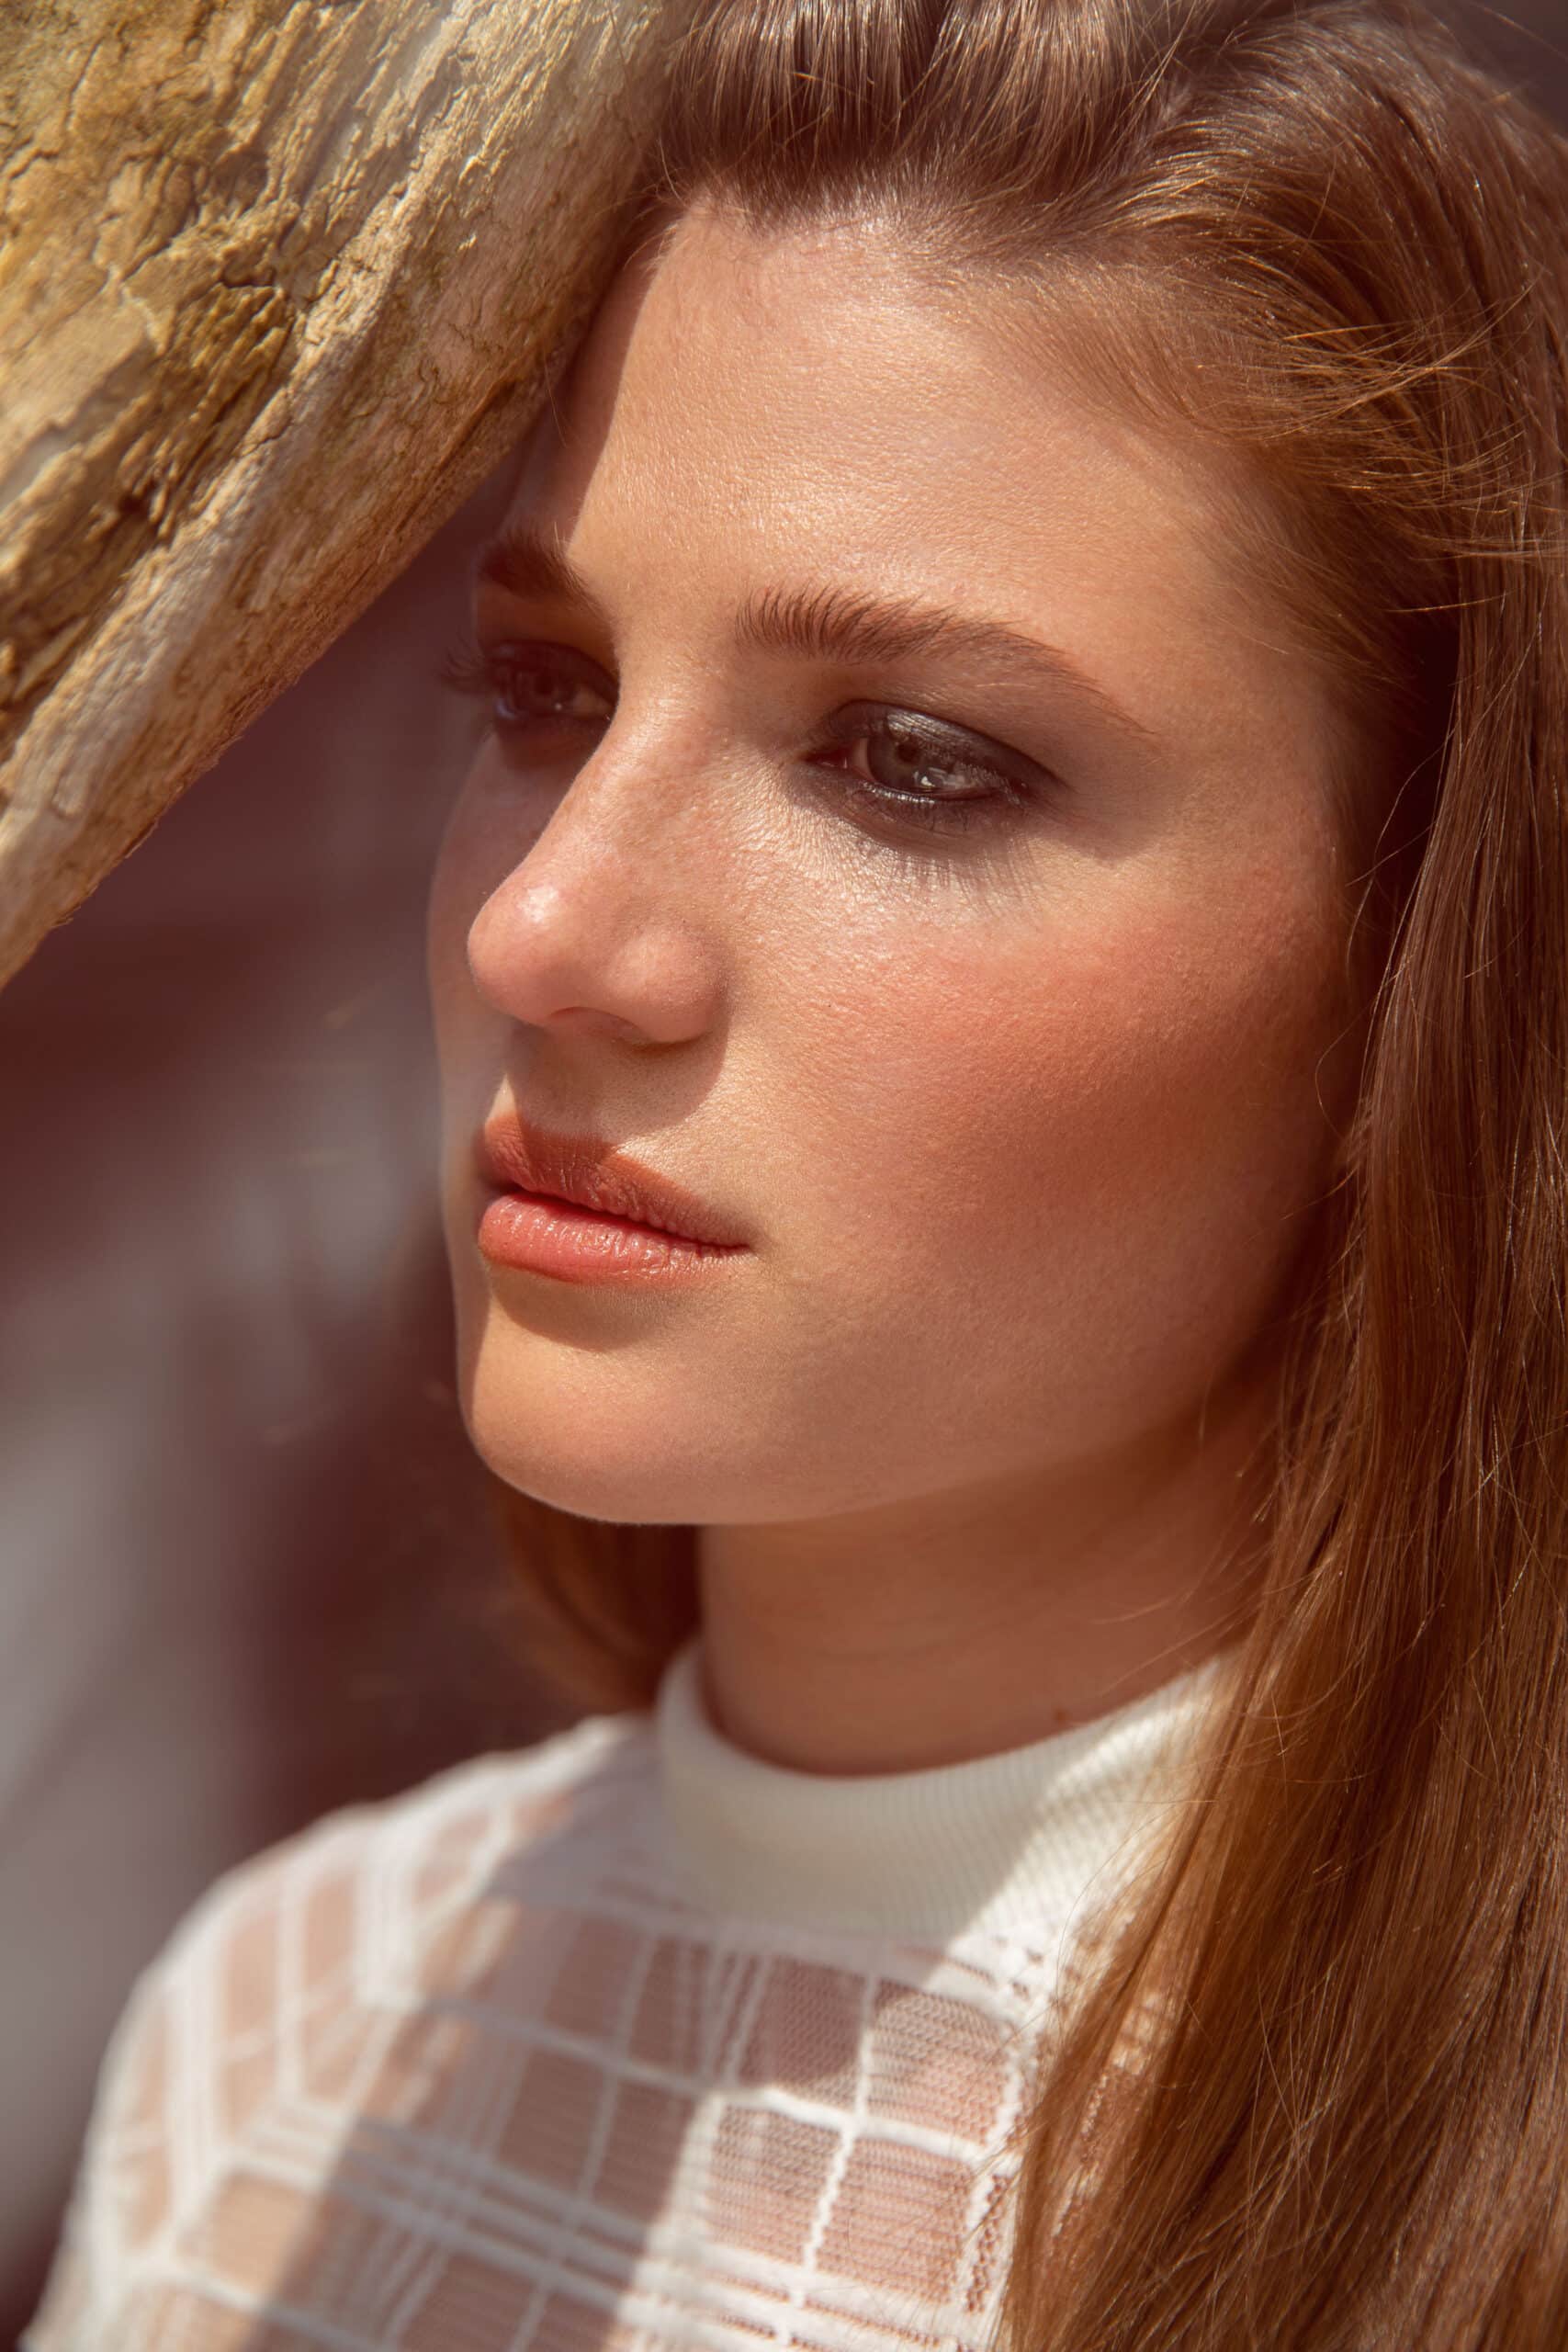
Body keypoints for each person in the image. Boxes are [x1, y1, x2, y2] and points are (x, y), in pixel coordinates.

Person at [23, 0, 1568, 2342]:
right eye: (547, 693)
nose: (546, 929)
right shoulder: (273, 2039)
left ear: (1421, 954)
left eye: (907, 762)